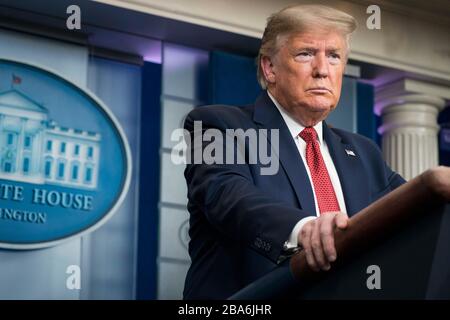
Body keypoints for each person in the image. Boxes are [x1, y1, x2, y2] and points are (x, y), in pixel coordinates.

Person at [182, 4, 405, 299]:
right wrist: (305, 230)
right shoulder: (217, 125)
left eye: (334, 56)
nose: (322, 70)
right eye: (306, 53)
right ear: (269, 67)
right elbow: (228, 196)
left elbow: (413, 210)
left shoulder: (364, 153)